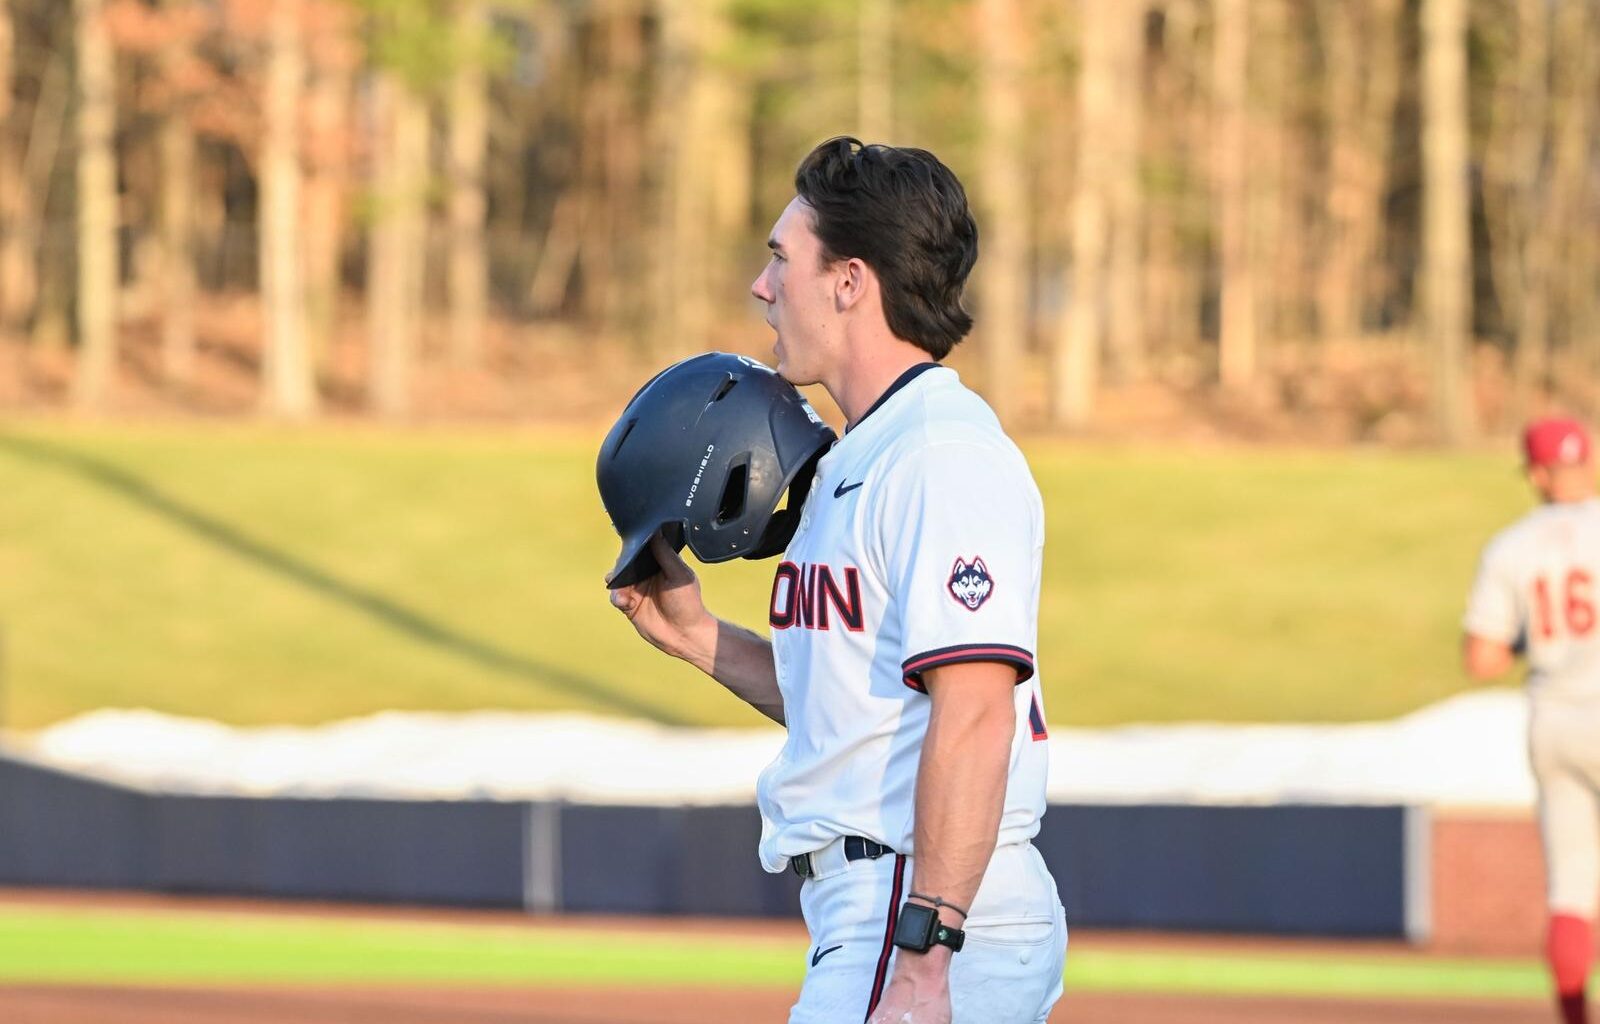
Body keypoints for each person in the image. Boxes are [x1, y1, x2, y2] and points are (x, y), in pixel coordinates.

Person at [610, 136, 1067, 1023]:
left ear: (850, 281)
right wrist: (700, 638)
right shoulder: (865, 453)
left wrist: (926, 959)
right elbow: (855, 706)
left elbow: (976, 711)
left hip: (917, 905)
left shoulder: (940, 454)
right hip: (884, 906)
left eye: (784, 257)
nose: (762, 284)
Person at [1463, 416, 1600, 1024]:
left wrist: (1527, 640)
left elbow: (1483, 658)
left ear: (1537, 474)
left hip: (1553, 720)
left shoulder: (1511, 547)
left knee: (1572, 889)